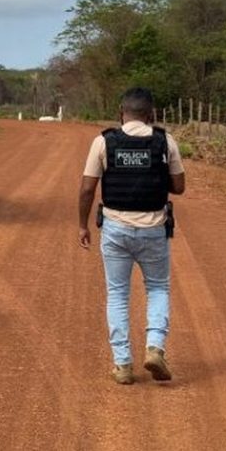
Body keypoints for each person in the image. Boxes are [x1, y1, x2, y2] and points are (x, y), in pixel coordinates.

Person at [78, 87, 185, 385]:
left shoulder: (103, 141)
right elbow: (179, 187)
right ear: (151, 115)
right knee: (158, 289)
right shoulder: (165, 141)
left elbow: (87, 189)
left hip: (114, 229)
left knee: (117, 294)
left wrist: (82, 225)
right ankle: (155, 347)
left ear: (120, 112)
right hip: (153, 229)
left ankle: (123, 364)